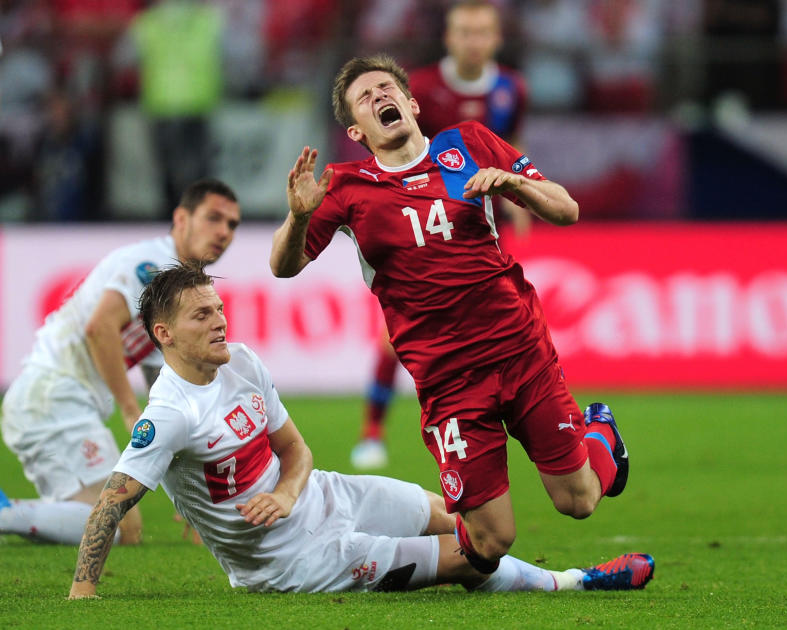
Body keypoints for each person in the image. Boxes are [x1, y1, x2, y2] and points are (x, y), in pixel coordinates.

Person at [68, 263, 654, 597]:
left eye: (219, 308)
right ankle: (576, 583)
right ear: (165, 335)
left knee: (472, 524)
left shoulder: (242, 362)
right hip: (291, 561)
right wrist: (83, 594)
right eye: (203, 315)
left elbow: (294, 449)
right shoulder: (169, 414)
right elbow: (108, 508)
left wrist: (289, 492)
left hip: (324, 494)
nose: (221, 321)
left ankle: (594, 462)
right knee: (465, 557)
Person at [269, 54, 640, 580]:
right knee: (489, 544)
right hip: (448, 381)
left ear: (411, 102)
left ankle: (602, 434)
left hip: (519, 349)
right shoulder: (345, 187)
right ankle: (418, 531)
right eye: (365, 98)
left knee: (578, 501)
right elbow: (284, 268)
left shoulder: (469, 143)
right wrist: (299, 216)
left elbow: (566, 209)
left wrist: (515, 187)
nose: (380, 98)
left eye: (386, 89)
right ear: (356, 130)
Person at [0, 178, 240, 545]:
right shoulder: (148, 265)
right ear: (181, 219)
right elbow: (100, 329)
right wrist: (131, 410)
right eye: (213, 218)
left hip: (53, 400)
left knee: (101, 521)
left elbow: (168, 380)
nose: (223, 232)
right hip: (53, 398)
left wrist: (193, 491)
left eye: (232, 225)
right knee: (119, 527)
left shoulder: (174, 285)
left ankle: (15, 515)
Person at [352, 0, 530, 470]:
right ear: (449, 39)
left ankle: (505, 421)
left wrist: (522, 197)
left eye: (482, 32)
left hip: (480, 223)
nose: (474, 40)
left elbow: (513, 145)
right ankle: (373, 430)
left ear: (496, 38)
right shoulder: (423, 89)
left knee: (500, 321)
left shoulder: (513, 88)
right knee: (396, 336)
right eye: (464, 32)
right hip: (417, 221)